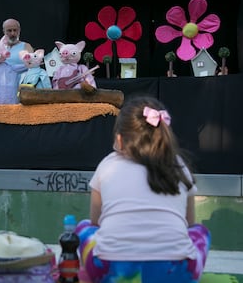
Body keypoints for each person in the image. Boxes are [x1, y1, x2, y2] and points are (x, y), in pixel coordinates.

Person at [75, 95, 211, 283]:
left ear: (120, 139)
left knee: (84, 228)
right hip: (175, 273)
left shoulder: (107, 165)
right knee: (201, 232)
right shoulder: (179, 166)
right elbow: (189, 225)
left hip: (112, 270)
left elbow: (95, 222)